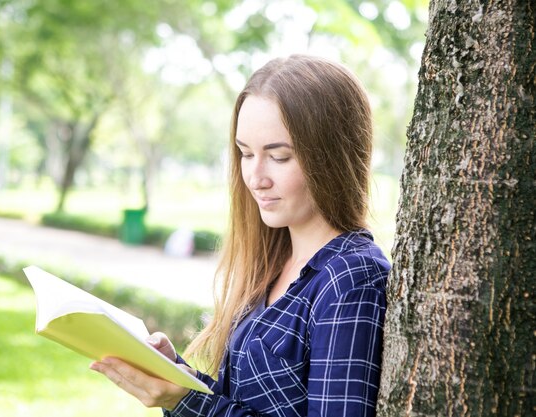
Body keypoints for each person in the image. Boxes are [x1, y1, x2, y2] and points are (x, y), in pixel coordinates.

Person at [90, 54, 391, 417]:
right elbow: (249, 405)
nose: (255, 177)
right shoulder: (275, 260)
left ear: (332, 157)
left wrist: (185, 402)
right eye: (245, 154)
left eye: (278, 157)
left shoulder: (351, 278)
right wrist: (180, 378)